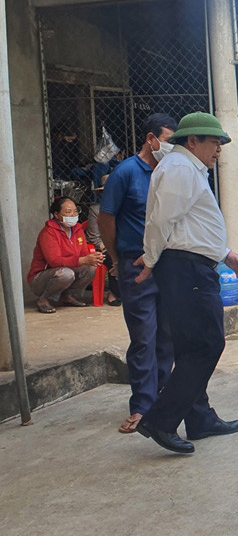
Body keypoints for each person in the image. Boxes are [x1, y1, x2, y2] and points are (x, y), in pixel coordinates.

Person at [134, 112, 238, 454]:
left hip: (190, 265)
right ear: (193, 141)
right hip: (185, 270)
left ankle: (200, 418)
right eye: (214, 142)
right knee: (207, 345)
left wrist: (225, 254)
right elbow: (161, 222)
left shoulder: (186, 169)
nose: (218, 150)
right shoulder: (180, 170)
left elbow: (191, 227)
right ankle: (160, 420)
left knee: (191, 348)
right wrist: (151, 259)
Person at [98, 113, 177, 434]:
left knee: (168, 334)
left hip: (169, 263)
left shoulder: (171, 172)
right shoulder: (126, 173)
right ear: (151, 139)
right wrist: (116, 257)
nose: (171, 148)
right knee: (144, 336)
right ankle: (143, 406)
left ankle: (166, 398)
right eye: (168, 141)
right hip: (134, 262)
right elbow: (107, 220)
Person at [28, 197, 105, 313]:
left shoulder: (77, 230)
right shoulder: (49, 232)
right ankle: (43, 299)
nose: (73, 215)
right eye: (68, 212)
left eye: (75, 211)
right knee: (66, 274)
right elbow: (54, 261)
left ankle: (68, 296)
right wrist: (83, 260)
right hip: (41, 279)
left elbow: (84, 254)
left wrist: (94, 258)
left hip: (66, 270)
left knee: (91, 268)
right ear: (57, 215)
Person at [86, 175, 120, 306]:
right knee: (113, 257)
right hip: (104, 246)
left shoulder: (126, 207)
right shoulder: (95, 210)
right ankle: (114, 293)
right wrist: (110, 247)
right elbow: (93, 237)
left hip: (124, 244)